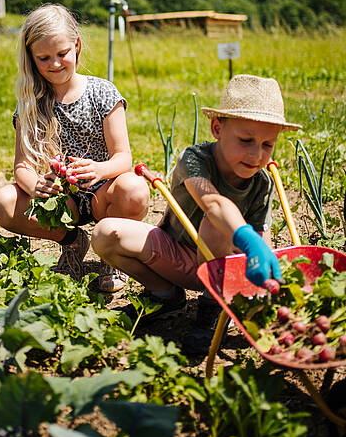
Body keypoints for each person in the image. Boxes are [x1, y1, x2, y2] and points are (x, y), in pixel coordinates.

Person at [91, 74, 301, 354]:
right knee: (106, 234)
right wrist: (248, 240)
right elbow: (213, 203)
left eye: (267, 145)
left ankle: (213, 308)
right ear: (217, 128)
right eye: (246, 139)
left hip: (224, 273)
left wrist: (262, 264)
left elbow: (263, 236)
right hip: (174, 254)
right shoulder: (195, 159)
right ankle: (165, 295)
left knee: (219, 230)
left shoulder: (262, 182)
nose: (256, 155)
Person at [0, 3, 149, 284]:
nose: (54, 64)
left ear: (76, 46)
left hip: (105, 193)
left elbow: (123, 157)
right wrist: (35, 185)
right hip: (61, 202)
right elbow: (22, 167)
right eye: (44, 58)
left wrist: (100, 170)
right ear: (31, 58)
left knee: (134, 188)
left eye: (62, 53)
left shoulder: (102, 92)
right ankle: (73, 241)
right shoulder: (32, 103)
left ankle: (113, 254)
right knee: (3, 202)